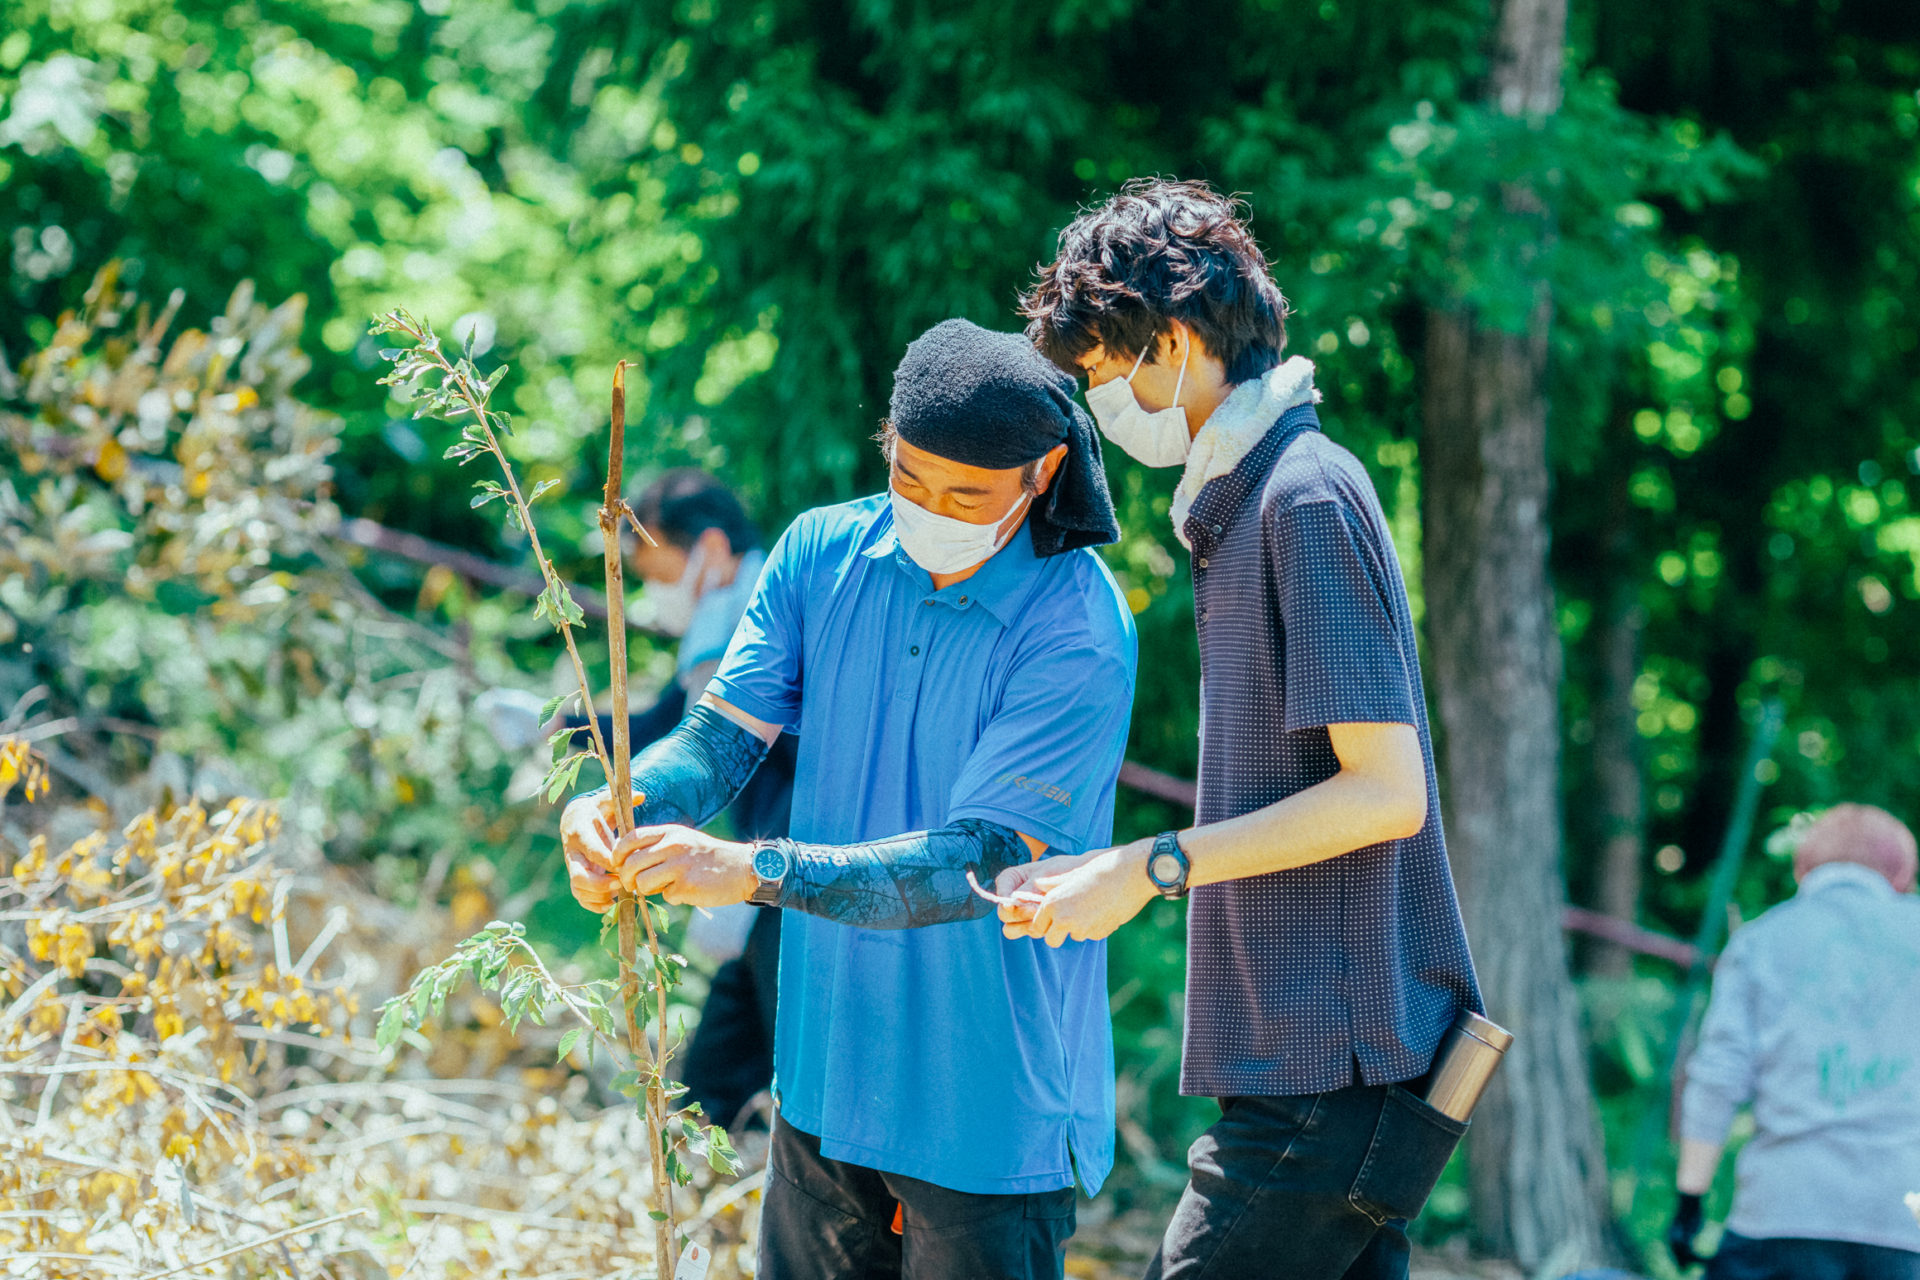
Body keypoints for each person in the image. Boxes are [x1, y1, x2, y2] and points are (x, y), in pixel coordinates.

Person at [558, 319, 1137, 1280]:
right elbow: (720, 737)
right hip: (825, 1075)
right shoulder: (821, 554)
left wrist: (751, 872)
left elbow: (985, 862)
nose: (932, 508)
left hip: (984, 1106)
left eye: (968, 494)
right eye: (911, 478)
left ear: (1042, 475)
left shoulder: (1076, 624)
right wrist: (627, 802)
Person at [1000, 178, 1481, 1280]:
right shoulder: (1243, 499)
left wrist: (1147, 866)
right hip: (1318, 1065)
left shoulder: (1299, 497)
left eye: (1105, 371)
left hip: (1331, 1070)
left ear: (1171, 340)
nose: (1102, 403)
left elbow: (1385, 790)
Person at [1667, 803, 1920, 1279]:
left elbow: (1718, 1077)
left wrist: (1690, 1200)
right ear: (1903, 874)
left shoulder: (1761, 940)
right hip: (1906, 1220)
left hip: (1782, 1213)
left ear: (1803, 869)